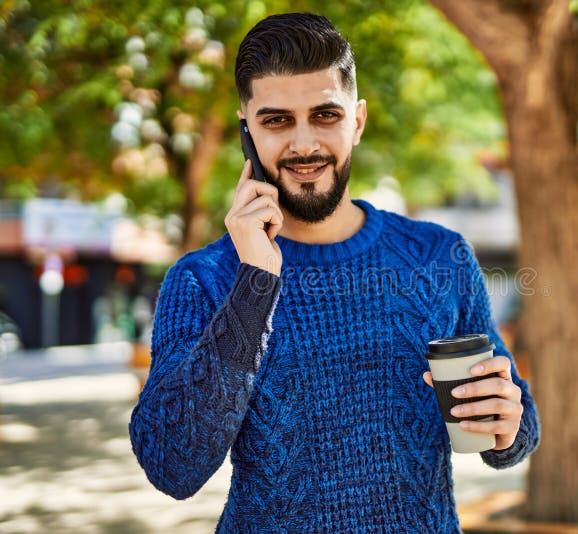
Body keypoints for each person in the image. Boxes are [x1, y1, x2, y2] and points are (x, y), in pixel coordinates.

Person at [129, 12, 540, 533]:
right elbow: (171, 466)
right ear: (246, 130)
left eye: (325, 114)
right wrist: (255, 281)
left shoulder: (441, 256)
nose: (304, 144)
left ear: (358, 120)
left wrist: (510, 425)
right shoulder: (202, 279)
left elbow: (512, 412)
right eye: (277, 120)